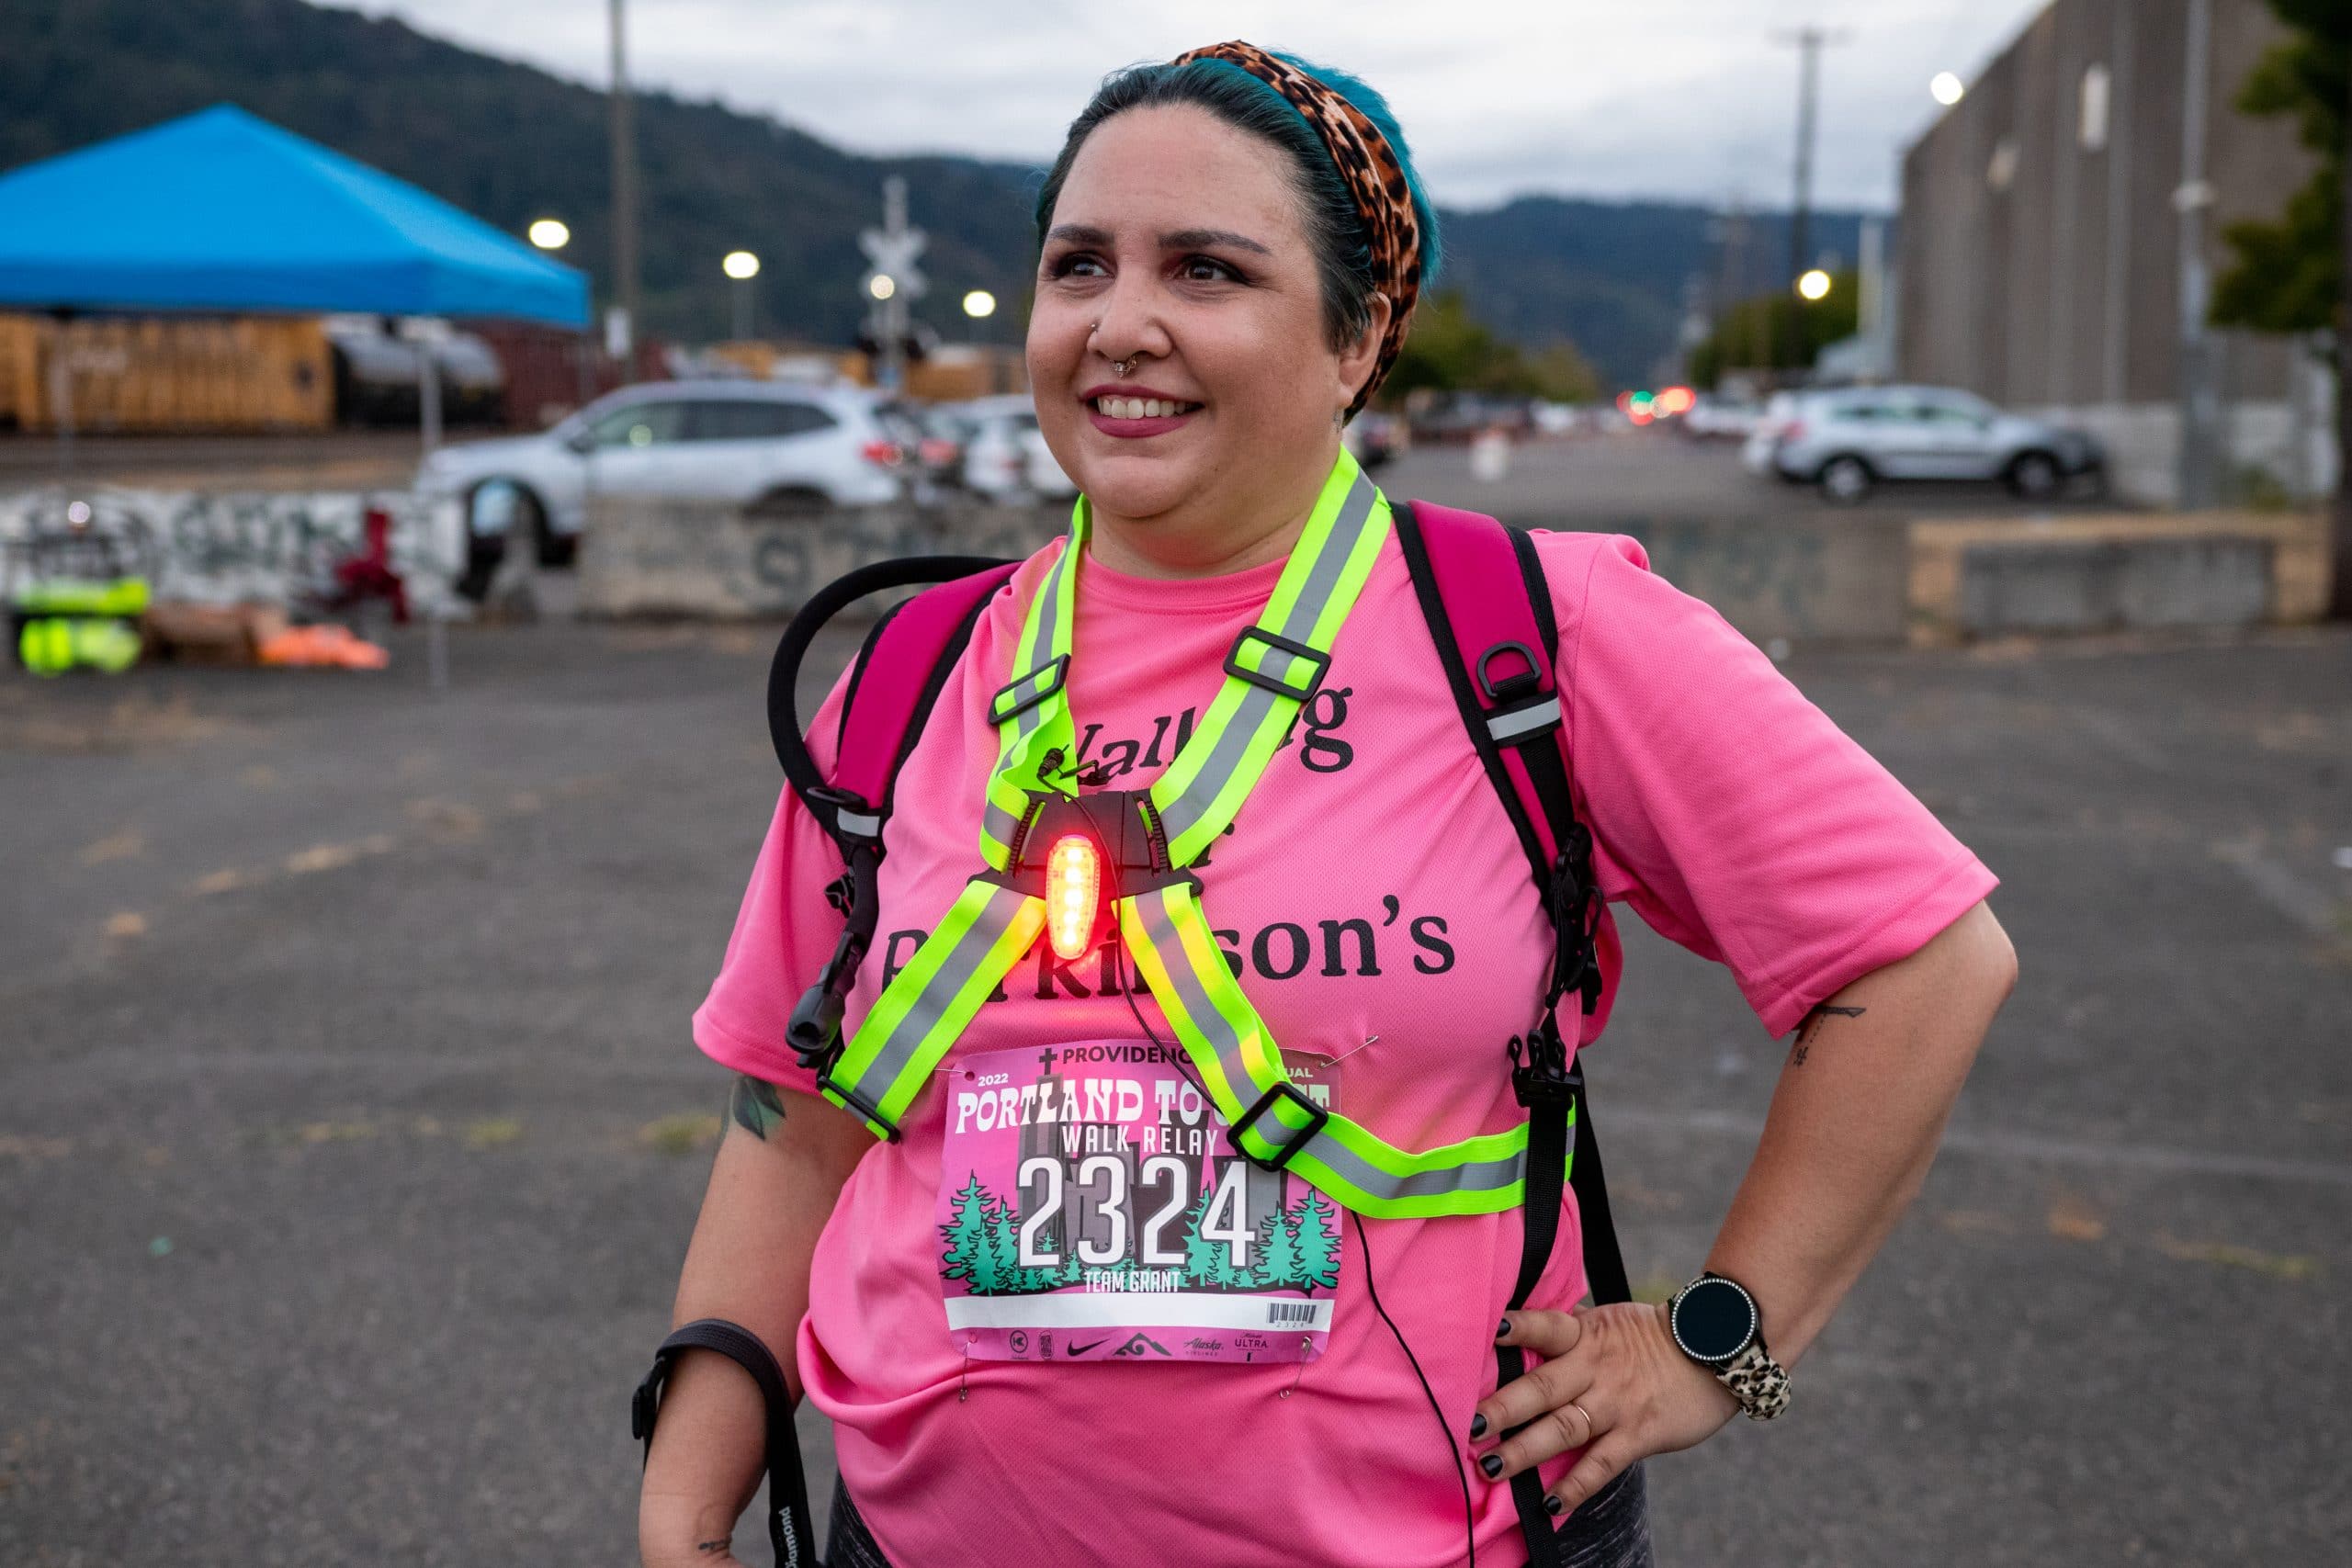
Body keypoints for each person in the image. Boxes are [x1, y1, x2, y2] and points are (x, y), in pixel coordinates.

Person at [639, 42, 2016, 1568]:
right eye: (1078, 264)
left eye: (1207, 270)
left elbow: (1924, 962)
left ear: (1360, 338)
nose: (1121, 324)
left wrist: (1718, 1339)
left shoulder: (1536, 629)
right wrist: (690, 1501)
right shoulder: (911, 675)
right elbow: (794, 1105)